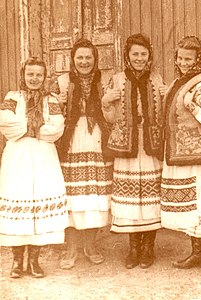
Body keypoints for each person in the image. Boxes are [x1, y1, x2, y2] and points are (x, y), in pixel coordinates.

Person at [160, 36, 201, 281]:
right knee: (189, 205)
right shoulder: (182, 81)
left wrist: (192, 106)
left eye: (189, 59)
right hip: (180, 153)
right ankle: (197, 252)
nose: (183, 62)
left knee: (198, 205)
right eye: (180, 58)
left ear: (199, 59)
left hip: (197, 155)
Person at [101, 33, 167, 269]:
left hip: (150, 144)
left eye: (143, 54)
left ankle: (148, 248)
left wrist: (165, 96)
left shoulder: (157, 78)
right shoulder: (117, 79)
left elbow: (164, 114)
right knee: (130, 199)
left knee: (151, 196)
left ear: (149, 56)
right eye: (135, 54)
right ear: (127, 56)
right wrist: (106, 102)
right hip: (127, 146)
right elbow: (109, 119)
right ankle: (134, 248)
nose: (139, 58)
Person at [0, 57, 68, 278]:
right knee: (19, 199)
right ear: (24, 75)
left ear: (44, 76)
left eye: (39, 74)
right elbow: (5, 123)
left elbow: (57, 129)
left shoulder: (51, 101)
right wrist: (36, 128)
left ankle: (34, 261)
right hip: (18, 157)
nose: (34, 78)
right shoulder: (13, 97)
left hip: (43, 159)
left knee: (40, 199)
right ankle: (17, 261)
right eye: (30, 74)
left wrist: (30, 130)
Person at [51, 38, 113, 269]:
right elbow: (50, 109)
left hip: (97, 137)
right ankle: (70, 249)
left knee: (95, 194)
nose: (84, 62)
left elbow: (113, 109)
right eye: (80, 58)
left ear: (95, 60)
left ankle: (91, 245)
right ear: (73, 60)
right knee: (72, 195)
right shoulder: (61, 81)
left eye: (89, 57)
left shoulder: (104, 80)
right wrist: (57, 101)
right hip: (71, 140)